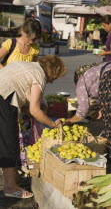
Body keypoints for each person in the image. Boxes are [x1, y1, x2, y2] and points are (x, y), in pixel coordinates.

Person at [0, 55, 66, 198]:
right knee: (9, 143)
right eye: (54, 77)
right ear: (52, 71)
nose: (52, 81)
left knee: (4, 142)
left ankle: (12, 180)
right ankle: (10, 187)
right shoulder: (39, 75)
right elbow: (35, 111)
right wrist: (52, 124)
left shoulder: (26, 65)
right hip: (3, 101)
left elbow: (23, 92)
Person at [65, 61, 111, 170]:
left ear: (78, 76)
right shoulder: (96, 71)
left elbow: (82, 111)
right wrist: (103, 108)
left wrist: (69, 121)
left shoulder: (82, 79)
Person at [0, 19, 42, 169]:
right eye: (29, 38)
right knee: (6, 131)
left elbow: (35, 71)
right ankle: (7, 164)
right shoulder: (10, 44)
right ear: (23, 32)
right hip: (6, 91)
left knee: (21, 133)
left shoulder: (35, 49)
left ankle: (19, 163)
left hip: (22, 95)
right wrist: (6, 71)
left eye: (34, 39)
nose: (31, 42)